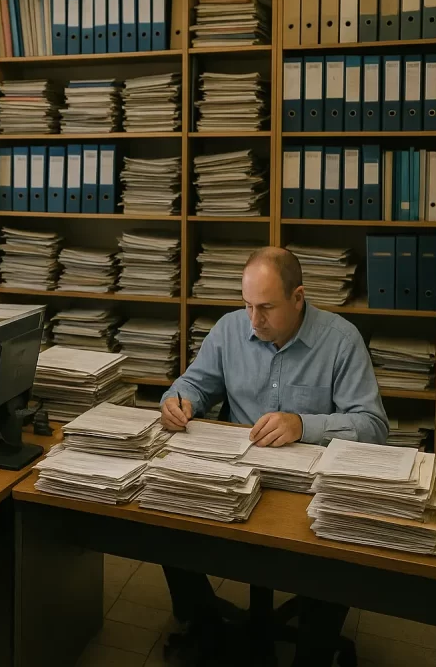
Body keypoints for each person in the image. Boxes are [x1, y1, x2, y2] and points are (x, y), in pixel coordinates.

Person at [158, 246, 388, 667]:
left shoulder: (340, 340)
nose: (254, 320)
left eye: (266, 307)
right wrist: (179, 400)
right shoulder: (229, 331)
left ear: (298, 298)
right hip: (237, 476)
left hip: (308, 488)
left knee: (339, 551)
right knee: (163, 515)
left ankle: (312, 653)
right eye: (247, 305)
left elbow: (373, 427)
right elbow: (193, 384)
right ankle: (207, 624)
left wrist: (304, 425)